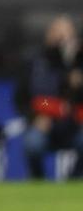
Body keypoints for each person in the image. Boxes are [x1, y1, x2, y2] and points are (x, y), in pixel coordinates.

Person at [14, 16, 83, 179]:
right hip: (45, 120)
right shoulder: (37, 62)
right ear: (49, 35)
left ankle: (74, 179)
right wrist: (35, 115)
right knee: (32, 142)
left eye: (66, 34)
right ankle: (38, 179)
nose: (62, 39)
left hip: (74, 124)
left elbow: (75, 101)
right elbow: (34, 97)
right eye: (58, 33)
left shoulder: (79, 62)